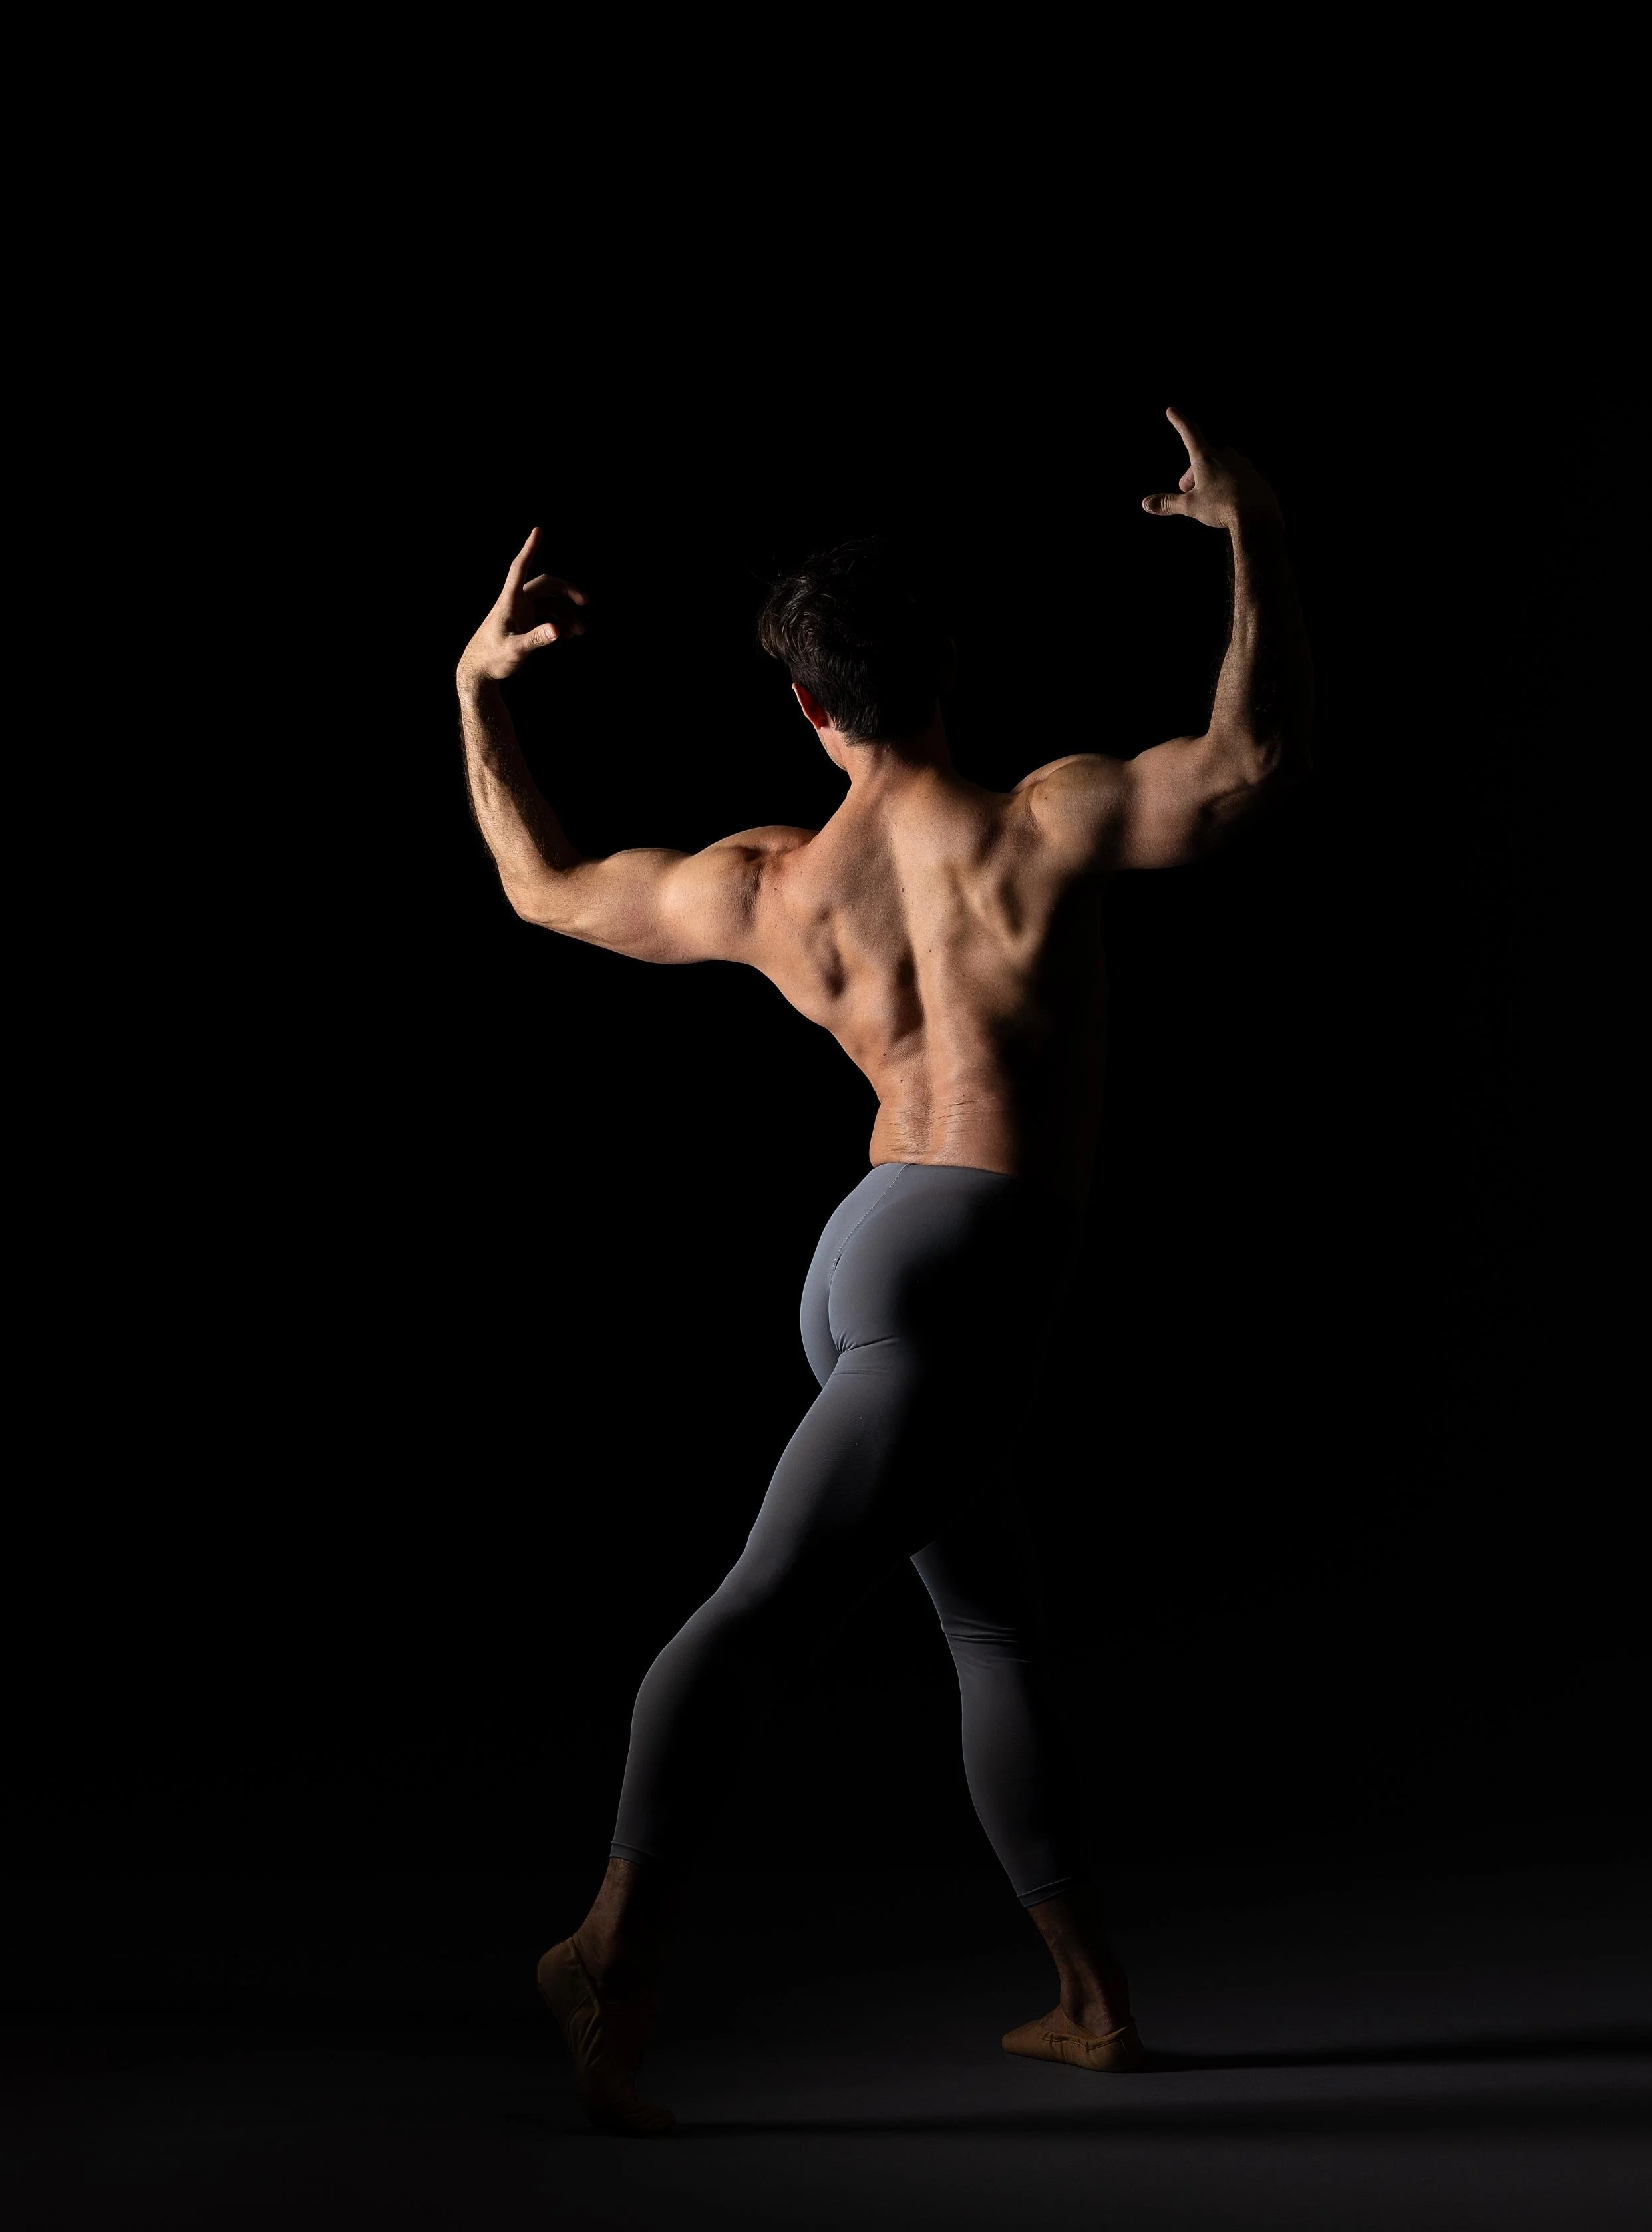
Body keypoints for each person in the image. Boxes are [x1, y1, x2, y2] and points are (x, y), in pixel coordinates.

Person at [455, 411, 1313, 2133]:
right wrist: (1260, 536)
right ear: (946, 670)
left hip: (870, 1250)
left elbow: (541, 887)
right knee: (761, 1612)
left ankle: (1089, 2000)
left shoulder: (775, 885)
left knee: (991, 1621)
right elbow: (1244, 764)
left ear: (809, 710)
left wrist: (478, 691)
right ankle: (611, 1950)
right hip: (974, 1258)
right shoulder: (1045, 824)